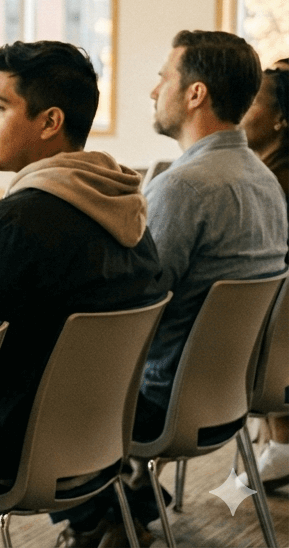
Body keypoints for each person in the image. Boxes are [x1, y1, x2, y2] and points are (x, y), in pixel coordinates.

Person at [53, 30, 287, 545]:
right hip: (226, 400)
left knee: (41, 381)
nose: (153, 90)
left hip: (164, 403)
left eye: (164, 77)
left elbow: (132, 304)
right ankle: (127, 498)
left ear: (195, 93)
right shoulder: (264, 181)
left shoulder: (185, 186)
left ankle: (100, 520)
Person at [0, 41, 161, 548]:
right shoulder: (130, 212)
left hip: (14, 454)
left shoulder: (14, 223)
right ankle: (99, 518)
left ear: (50, 122)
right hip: (101, 442)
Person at [242, 65, 289, 487]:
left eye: (252, 102)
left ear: (281, 119)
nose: (240, 112)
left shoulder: (270, 188)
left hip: (266, 356)